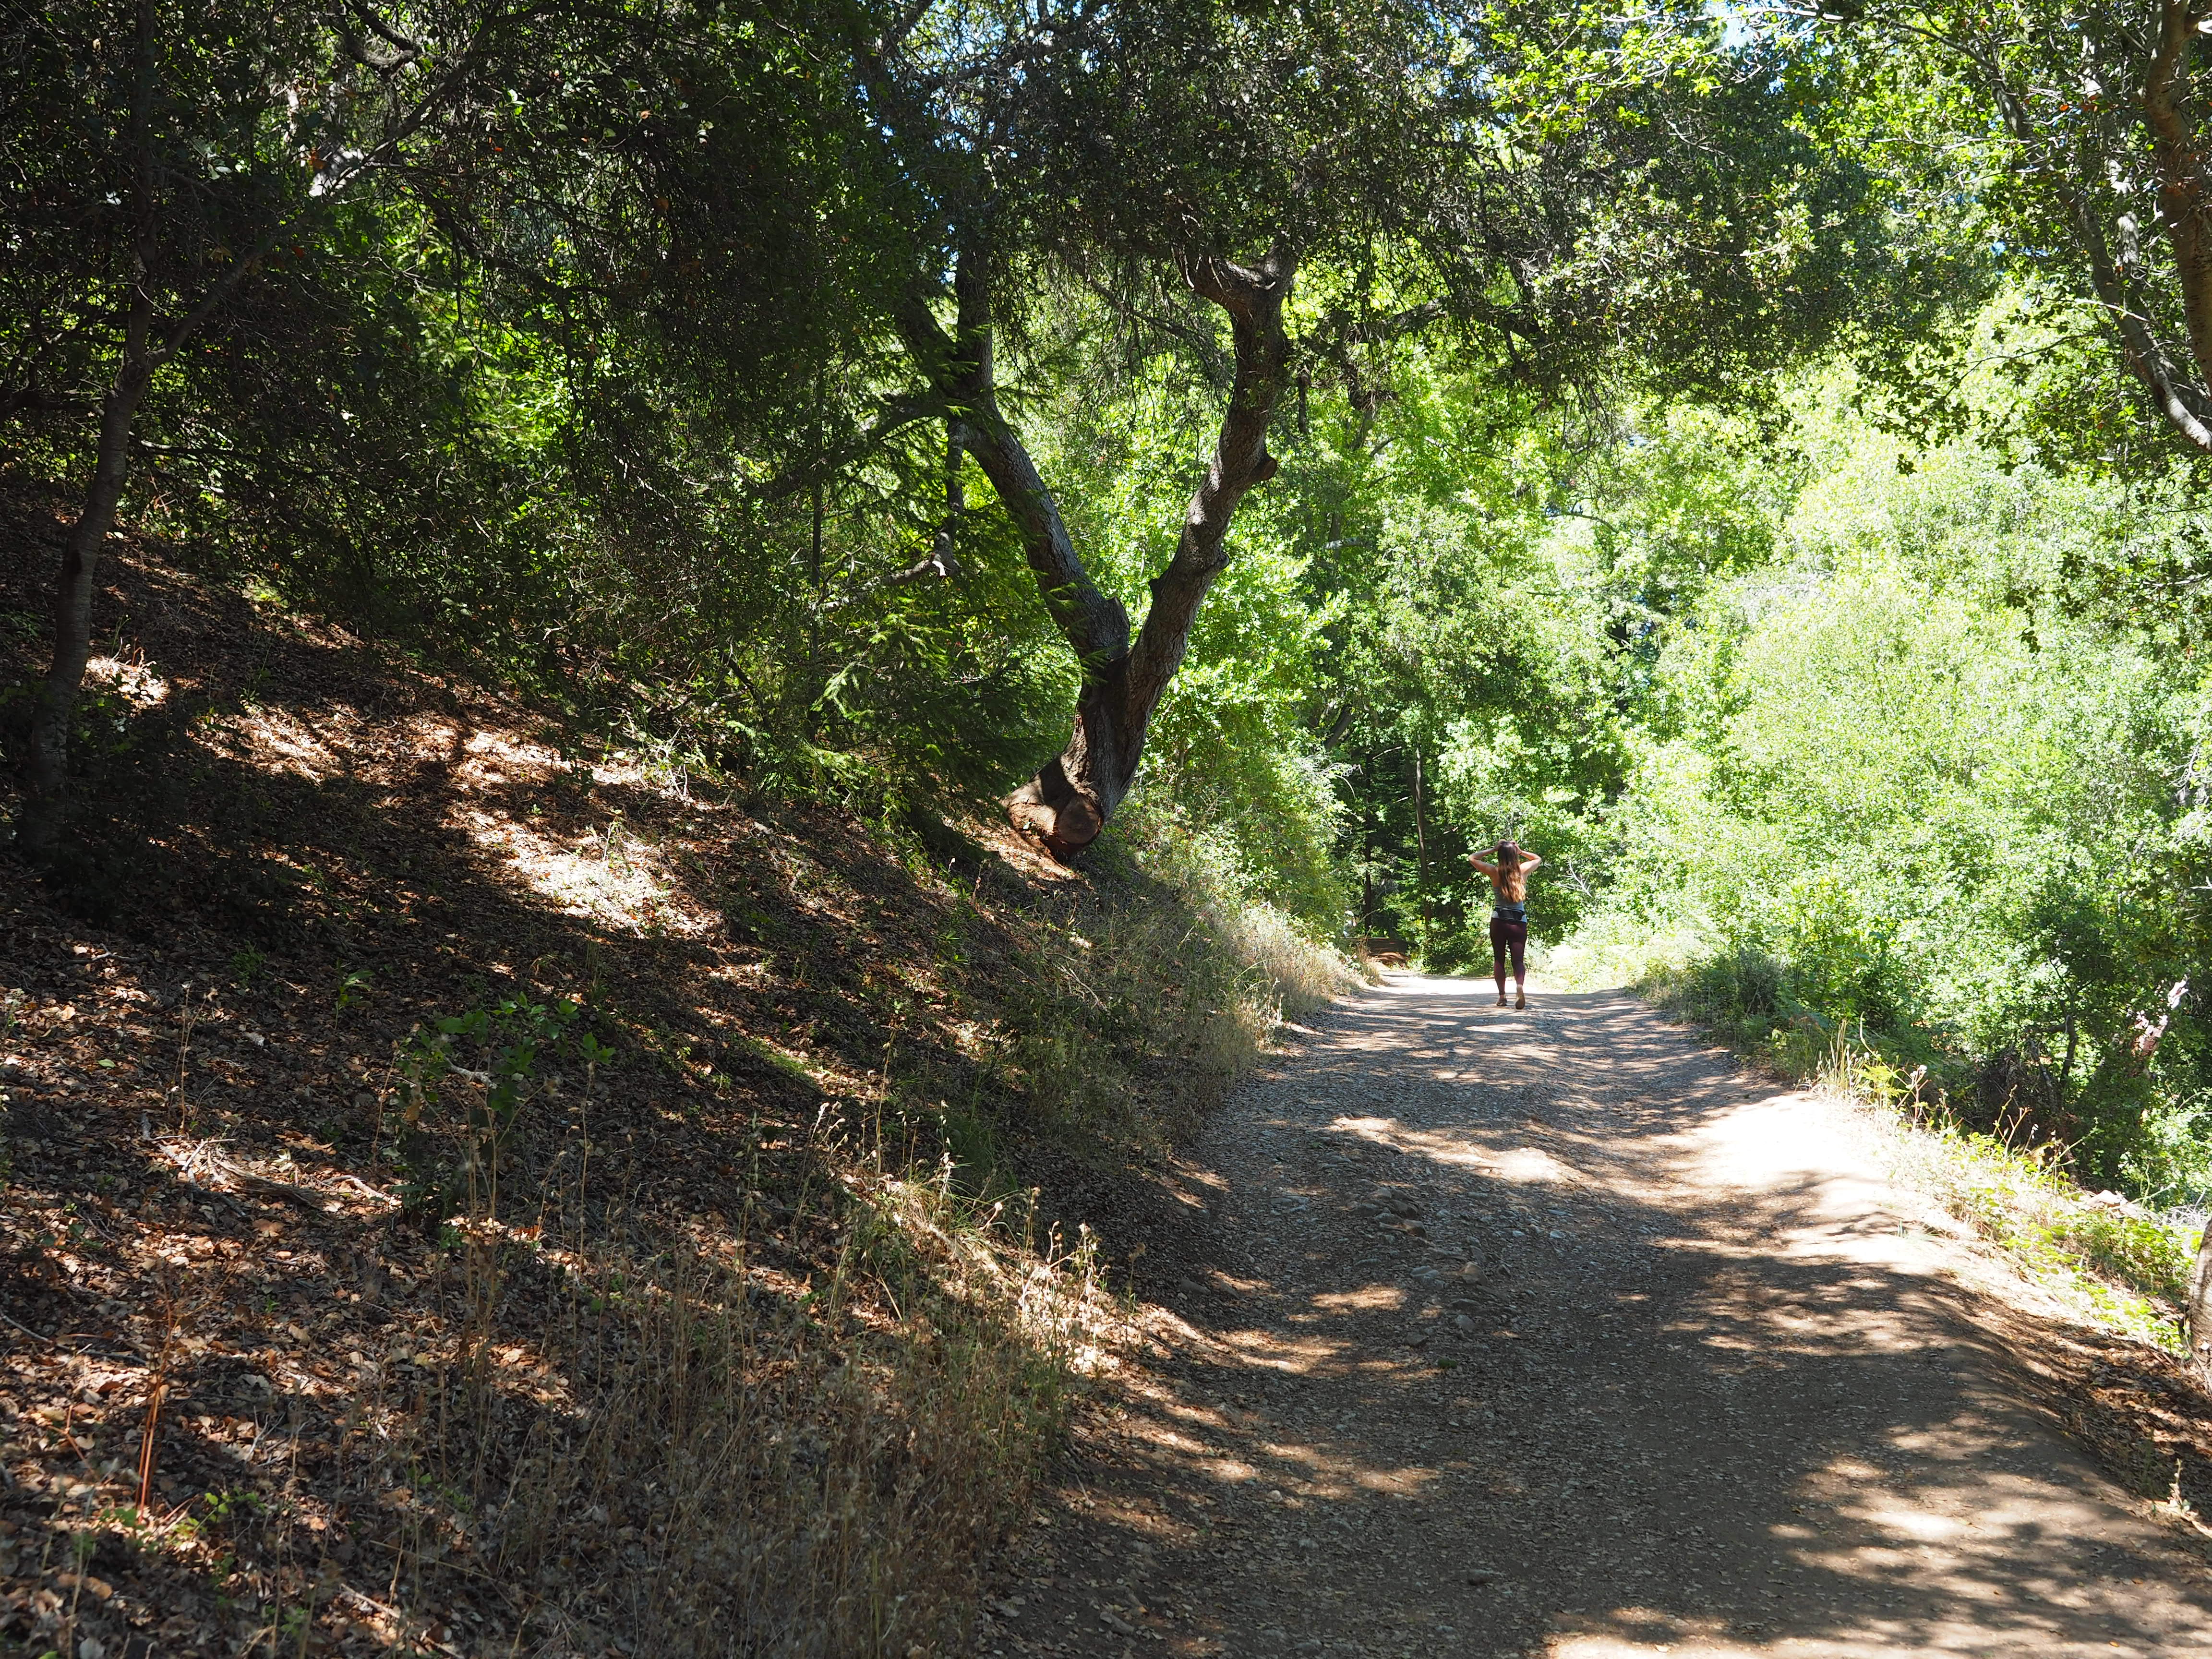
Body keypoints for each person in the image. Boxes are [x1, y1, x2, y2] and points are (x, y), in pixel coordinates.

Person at [1467, 840, 1542, 1010]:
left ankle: (1502, 997)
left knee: (1499, 959)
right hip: (1519, 921)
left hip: (1499, 921)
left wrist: (1493, 849)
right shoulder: (1523, 870)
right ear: (1515, 855)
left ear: (1500, 855)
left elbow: (1472, 858)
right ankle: (1519, 986)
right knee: (1518, 960)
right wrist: (1521, 851)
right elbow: (1537, 859)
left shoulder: (1495, 872)